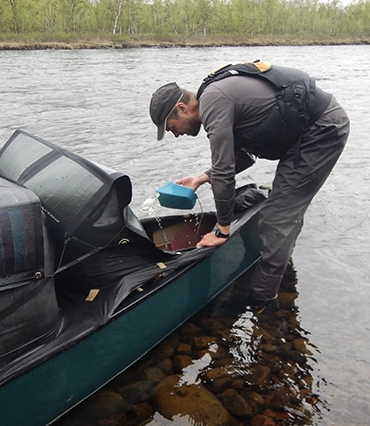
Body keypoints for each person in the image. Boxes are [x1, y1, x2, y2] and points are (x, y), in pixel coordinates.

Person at [149, 61, 349, 313]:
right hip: (304, 135)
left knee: (277, 218)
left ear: (182, 108)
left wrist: (222, 231)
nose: (175, 134)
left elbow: (224, 172)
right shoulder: (216, 98)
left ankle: (261, 302)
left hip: (322, 130)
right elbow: (243, 158)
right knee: (285, 207)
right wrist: (201, 177)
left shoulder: (212, 101)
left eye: (171, 128)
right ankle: (279, 261)